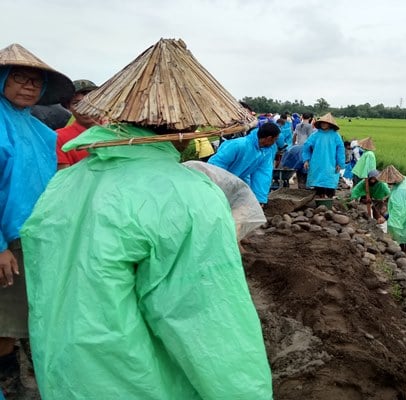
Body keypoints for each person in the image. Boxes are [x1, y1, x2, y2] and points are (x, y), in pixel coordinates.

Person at [20, 38, 272, 399]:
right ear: (192, 127)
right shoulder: (190, 197)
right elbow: (208, 322)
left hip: (64, 372)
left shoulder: (67, 181)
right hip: (131, 378)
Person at [0, 43, 74, 394]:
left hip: (34, 240)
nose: (28, 86)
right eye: (18, 77)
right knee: (3, 322)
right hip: (6, 242)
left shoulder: (44, 135)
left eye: (35, 81)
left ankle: (15, 378)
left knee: (21, 320)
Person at [209, 122, 280, 205]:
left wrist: (259, 199)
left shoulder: (265, 152)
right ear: (269, 138)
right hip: (217, 181)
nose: (275, 143)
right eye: (275, 140)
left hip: (238, 180)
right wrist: (216, 188)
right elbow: (215, 166)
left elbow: (263, 174)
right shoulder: (238, 145)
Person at [55, 79, 99, 169]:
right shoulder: (59, 137)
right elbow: (64, 176)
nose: (85, 108)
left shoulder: (117, 132)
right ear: (68, 107)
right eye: (76, 103)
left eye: (91, 101)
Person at [302, 112, 345, 198]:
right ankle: (318, 200)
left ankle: (329, 201)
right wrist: (306, 160)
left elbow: (340, 150)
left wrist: (339, 163)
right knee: (318, 182)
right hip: (316, 161)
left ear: (330, 124)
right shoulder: (315, 135)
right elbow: (306, 147)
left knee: (329, 181)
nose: (324, 124)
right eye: (322, 122)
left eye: (326, 123)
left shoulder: (336, 136)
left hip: (331, 162)